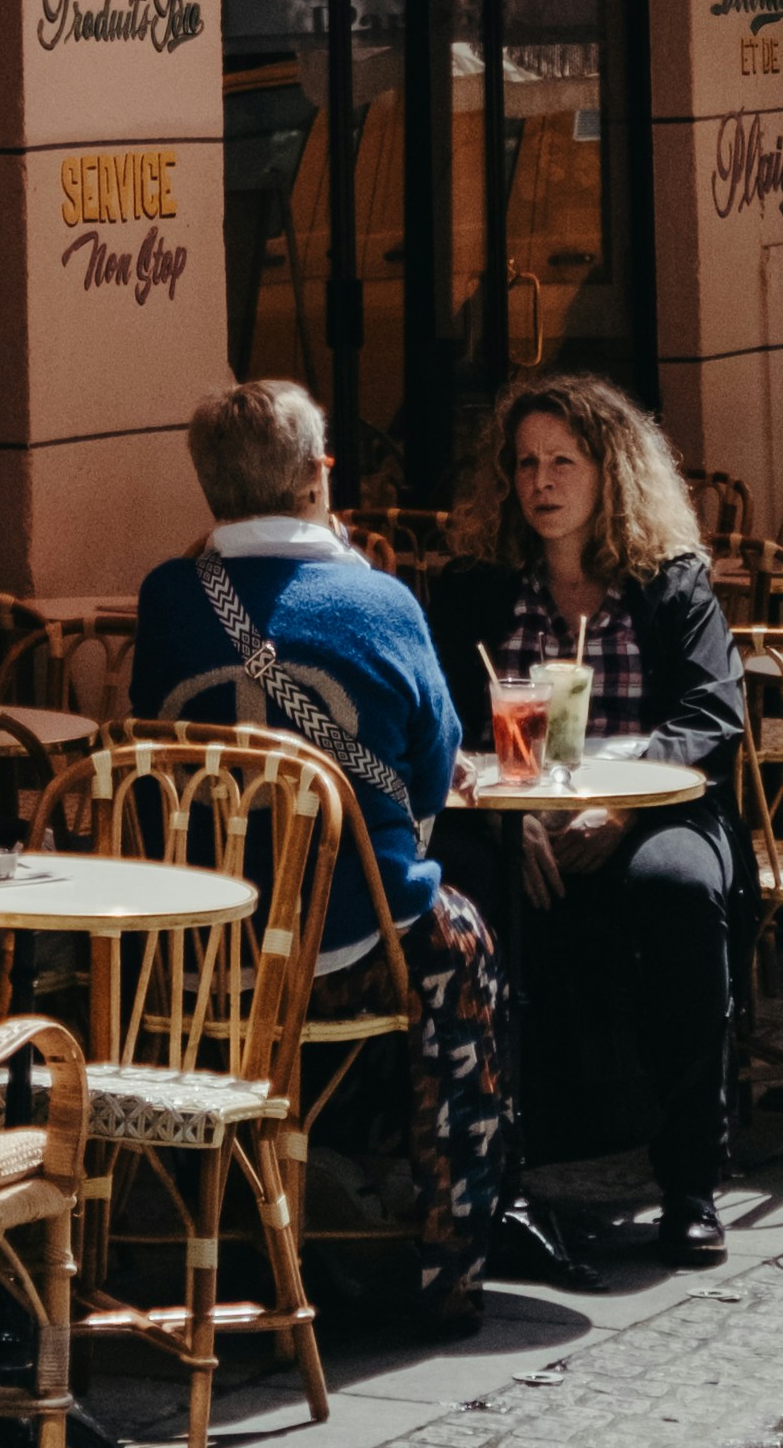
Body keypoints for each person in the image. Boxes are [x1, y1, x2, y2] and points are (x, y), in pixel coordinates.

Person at [130, 376, 564, 1330]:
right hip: (355, 953)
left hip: (203, 954)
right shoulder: (381, 600)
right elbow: (430, 778)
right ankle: (447, 1267)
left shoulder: (164, 599)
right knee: (469, 953)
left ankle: (230, 1224)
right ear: (316, 479)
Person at [425, 377, 745, 1272]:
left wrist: (622, 798)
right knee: (462, 894)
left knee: (681, 892)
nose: (542, 481)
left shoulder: (669, 583)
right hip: (512, 813)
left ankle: (689, 1181)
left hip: (645, 812)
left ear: (611, 473)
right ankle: (488, 1173)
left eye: (563, 460)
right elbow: (442, 714)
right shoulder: (479, 589)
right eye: (525, 463)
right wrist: (502, 818)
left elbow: (712, 714)